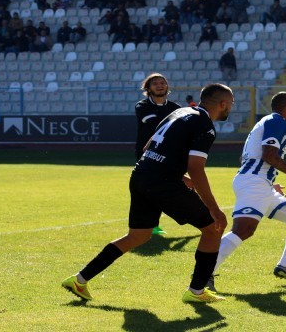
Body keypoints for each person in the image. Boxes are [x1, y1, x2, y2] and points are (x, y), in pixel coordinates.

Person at [61, 83, 235, 304]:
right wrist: (213, 207)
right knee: (213, 227)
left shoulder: (179, 112)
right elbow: (196, 167)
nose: (231, 107)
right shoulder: (204, 125)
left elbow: (148, 148)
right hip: (163, 183)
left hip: (141, 175)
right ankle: (197, 290)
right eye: (231, 103)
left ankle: (79, 279)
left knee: (138, 236)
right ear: (222, 103)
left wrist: (178, 175)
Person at [208, 92, 286, 292]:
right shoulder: (278, 122)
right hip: (254, 183)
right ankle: (204, 274)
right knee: (243, 229)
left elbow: (249, 157)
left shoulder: (268, 122)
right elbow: (269, 155)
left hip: (260, 184)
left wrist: (270, 183)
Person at [134, 73, 182, 235]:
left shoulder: (175, 108)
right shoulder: (142, 106)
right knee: (150, 188)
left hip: (170, 154)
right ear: (148, 88)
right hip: (147, 154)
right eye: (155, 83)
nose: (160, 85)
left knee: (167, 187)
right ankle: (151, 224)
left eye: (163, 83)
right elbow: (157, 125)